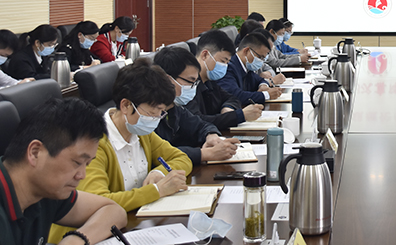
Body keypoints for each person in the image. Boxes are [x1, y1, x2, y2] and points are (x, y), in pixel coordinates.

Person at [49, 59, 192, 243]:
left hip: (130, 225)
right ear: (125, 105)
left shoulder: (141, 133)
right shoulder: (96, 143)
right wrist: (156, 190)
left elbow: (181, 158)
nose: (156, 119)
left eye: (161, 112)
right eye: (152, 112)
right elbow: (98, 202)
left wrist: (159, 172)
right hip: (88, 237)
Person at [0, 98, 126, 245]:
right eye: (77, 162)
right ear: (35, 153)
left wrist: (77, 239)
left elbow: (114, 211)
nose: (82, 175)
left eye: (87, 164)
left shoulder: (45, 189)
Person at [153, 47, 240, 165]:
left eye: (195, 83)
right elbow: (160, 153)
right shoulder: (148, 114)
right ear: (168, 80)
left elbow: (201, 125)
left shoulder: (175, 108)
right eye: (190, 82)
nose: (193, 88)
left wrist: (211, 135)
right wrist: (205, 154)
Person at [186, 31, 263, 129]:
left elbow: (232, 98)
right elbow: (198, 121)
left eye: (227, 62)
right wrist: (239, 116)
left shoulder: (210, 80)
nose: (224, 66)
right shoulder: (187, 85)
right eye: (222, 61)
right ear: (205, 55)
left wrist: (228, 107)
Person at [216, 32, 283, 106]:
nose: (261, 61)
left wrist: (263, 86)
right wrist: (266, 95)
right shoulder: (228, 67)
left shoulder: (246, 66)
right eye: (260, 57)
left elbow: (259, 80)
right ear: (246, 51)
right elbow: (234, 95)